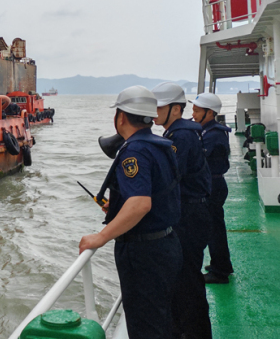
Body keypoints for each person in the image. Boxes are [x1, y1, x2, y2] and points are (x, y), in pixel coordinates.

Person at [79, 86, 182, 339]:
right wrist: (117, 206)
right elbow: (158, 194)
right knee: (162, 319)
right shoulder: (161, 145)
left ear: (121, 117)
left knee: (146, 326)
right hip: (167, 243)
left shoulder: (134, 151)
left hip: (144, 253)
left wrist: (101, 237)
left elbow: (140, 204)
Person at [152, 82, 213, 339]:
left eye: (161, 106)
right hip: (189, 213)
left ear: (176, 109)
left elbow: (169, 177)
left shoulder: (182, 136)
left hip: (189, 216)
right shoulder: (177, 133)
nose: (155, 111)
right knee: (184, 281)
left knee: (187, 284)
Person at [192, 92, 234, 284]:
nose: (193, 114)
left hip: (213, 186)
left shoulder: (214, 134)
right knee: (214, 227)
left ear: (209, 113)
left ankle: (220, 271)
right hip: (213, 184)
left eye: (197, 110)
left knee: (213, 229)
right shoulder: (209, 130)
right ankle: (221, 263)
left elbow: (199, 160)